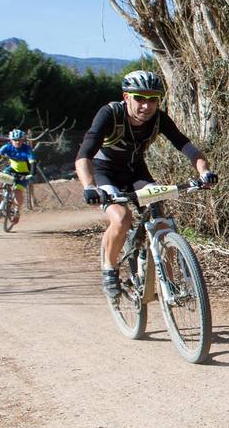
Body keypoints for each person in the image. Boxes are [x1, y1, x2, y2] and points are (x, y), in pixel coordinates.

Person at [75, 70, 217, 300]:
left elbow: (189, 148)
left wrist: (205, 172)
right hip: (104, 173)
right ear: (126, 97)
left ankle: (168, 284)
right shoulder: (110, 114)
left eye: (152, 99)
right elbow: (84, 155)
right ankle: (109, 271)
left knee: (160, 220)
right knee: (121, 219)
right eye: (139, 98)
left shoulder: (159, 119)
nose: (146, 105)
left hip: (135, 172)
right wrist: (90, 186)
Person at [0, 128, 35, 225]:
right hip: (11, 170)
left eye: (19, 140)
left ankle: (16, 211)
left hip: (24, 173)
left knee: (17, 191)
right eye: (14, 140)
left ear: (22, 140)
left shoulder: (27, 150)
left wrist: (31, 174)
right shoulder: (7, 147)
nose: (17, 142)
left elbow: (33, 163)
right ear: (11, 140)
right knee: (0, 180)